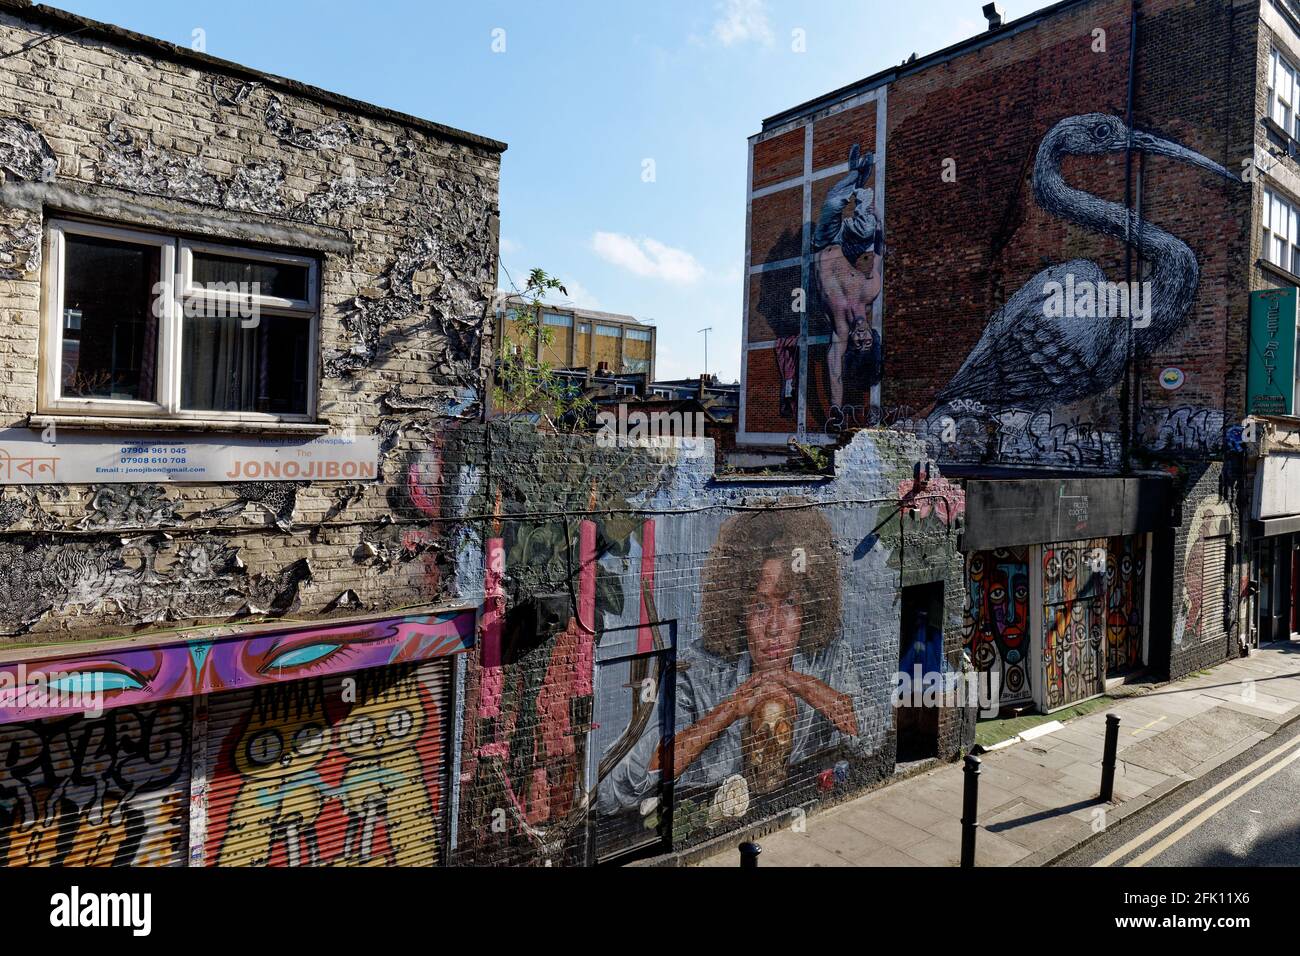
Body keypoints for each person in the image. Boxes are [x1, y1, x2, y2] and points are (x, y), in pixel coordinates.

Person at [599, 502, 873, 811]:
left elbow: (871, 737)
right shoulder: (695, 673)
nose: (773, 627)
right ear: (737, 610)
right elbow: (615, 790)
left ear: (809, 607)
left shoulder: (830, 659)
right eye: (759, 606)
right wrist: (730, 708)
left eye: (790, 603)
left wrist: (795, 682)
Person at [813, 144, 884, 419]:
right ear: (872, 336)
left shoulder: (841, 329)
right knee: (868, 226)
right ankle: (860, 184)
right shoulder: (870, 290)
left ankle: (856, 173)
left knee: (832, 202)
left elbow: (835, 370)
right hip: (849, 243)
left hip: (826, 241)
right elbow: (879, 250)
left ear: (852, 342)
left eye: (859, 343)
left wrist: (835, 410)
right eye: (867, 340)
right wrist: (878, 221)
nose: (861, 336)